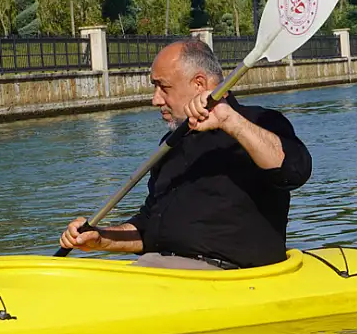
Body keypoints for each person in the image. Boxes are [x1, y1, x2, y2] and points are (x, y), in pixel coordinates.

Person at [59, 38, 312, 270]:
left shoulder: (258, 122)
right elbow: (150, 227)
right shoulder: (171, 145)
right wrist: (100, 238)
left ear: (199, 84)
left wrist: (229, 121)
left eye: (163, 87)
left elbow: (295, 170)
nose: (155, 100)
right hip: (163, 270)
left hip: (226, 275)